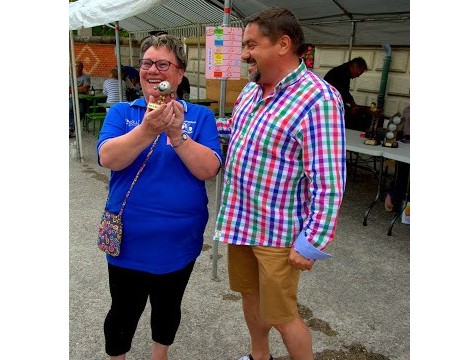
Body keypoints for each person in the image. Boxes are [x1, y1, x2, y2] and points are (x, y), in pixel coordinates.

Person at [214, 7, 346, 360]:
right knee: (250, 298)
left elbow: (329, 179)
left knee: (284, 316)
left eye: (251, 45)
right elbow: (233, 132)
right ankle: (260, 356)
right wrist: (190, 122)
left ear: (283, 44)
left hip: (277, 232)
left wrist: (313, 240)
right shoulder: (252, 91)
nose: (243, 54)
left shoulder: (318, 99)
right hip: (241, 222)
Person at [96, 34, 222, 360]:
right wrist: (147, 130)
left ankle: (159, 354)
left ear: (179, 73)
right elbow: (109, 158)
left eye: (163, 64)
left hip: (179, 241)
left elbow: (208, 168)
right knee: (123, 310)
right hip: (129, 240)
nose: (153, 70)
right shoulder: (123, 112)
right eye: (147, 63)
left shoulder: (200, 117)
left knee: (168, 307)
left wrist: (177, 135)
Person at [324, 57, 368, 131]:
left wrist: (352, 102)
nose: (358, 76)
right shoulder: (341, 72)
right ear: (354, 67)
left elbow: (344, 91)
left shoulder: (344, 71)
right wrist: (351, 104)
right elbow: (342, 92)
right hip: (330, 105)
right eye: (359, 72)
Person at [384, 105, 410, 212]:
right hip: (406, 147)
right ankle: (394, 196)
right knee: (403, 168)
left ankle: (395, 195)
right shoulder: (408, 110)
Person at [69, 60, 91, 137]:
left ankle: (71, 128)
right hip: (72, 98)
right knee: (70, 108)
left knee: (81, 110)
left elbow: (85, 89)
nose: (77, 68)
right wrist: (79, 89)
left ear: (82, 68)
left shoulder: (86, 77)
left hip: (83, 99)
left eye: (79, 66)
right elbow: (68, 90)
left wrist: (73, 89)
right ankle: (71, 128)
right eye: (76, 66)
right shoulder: (70, 77)